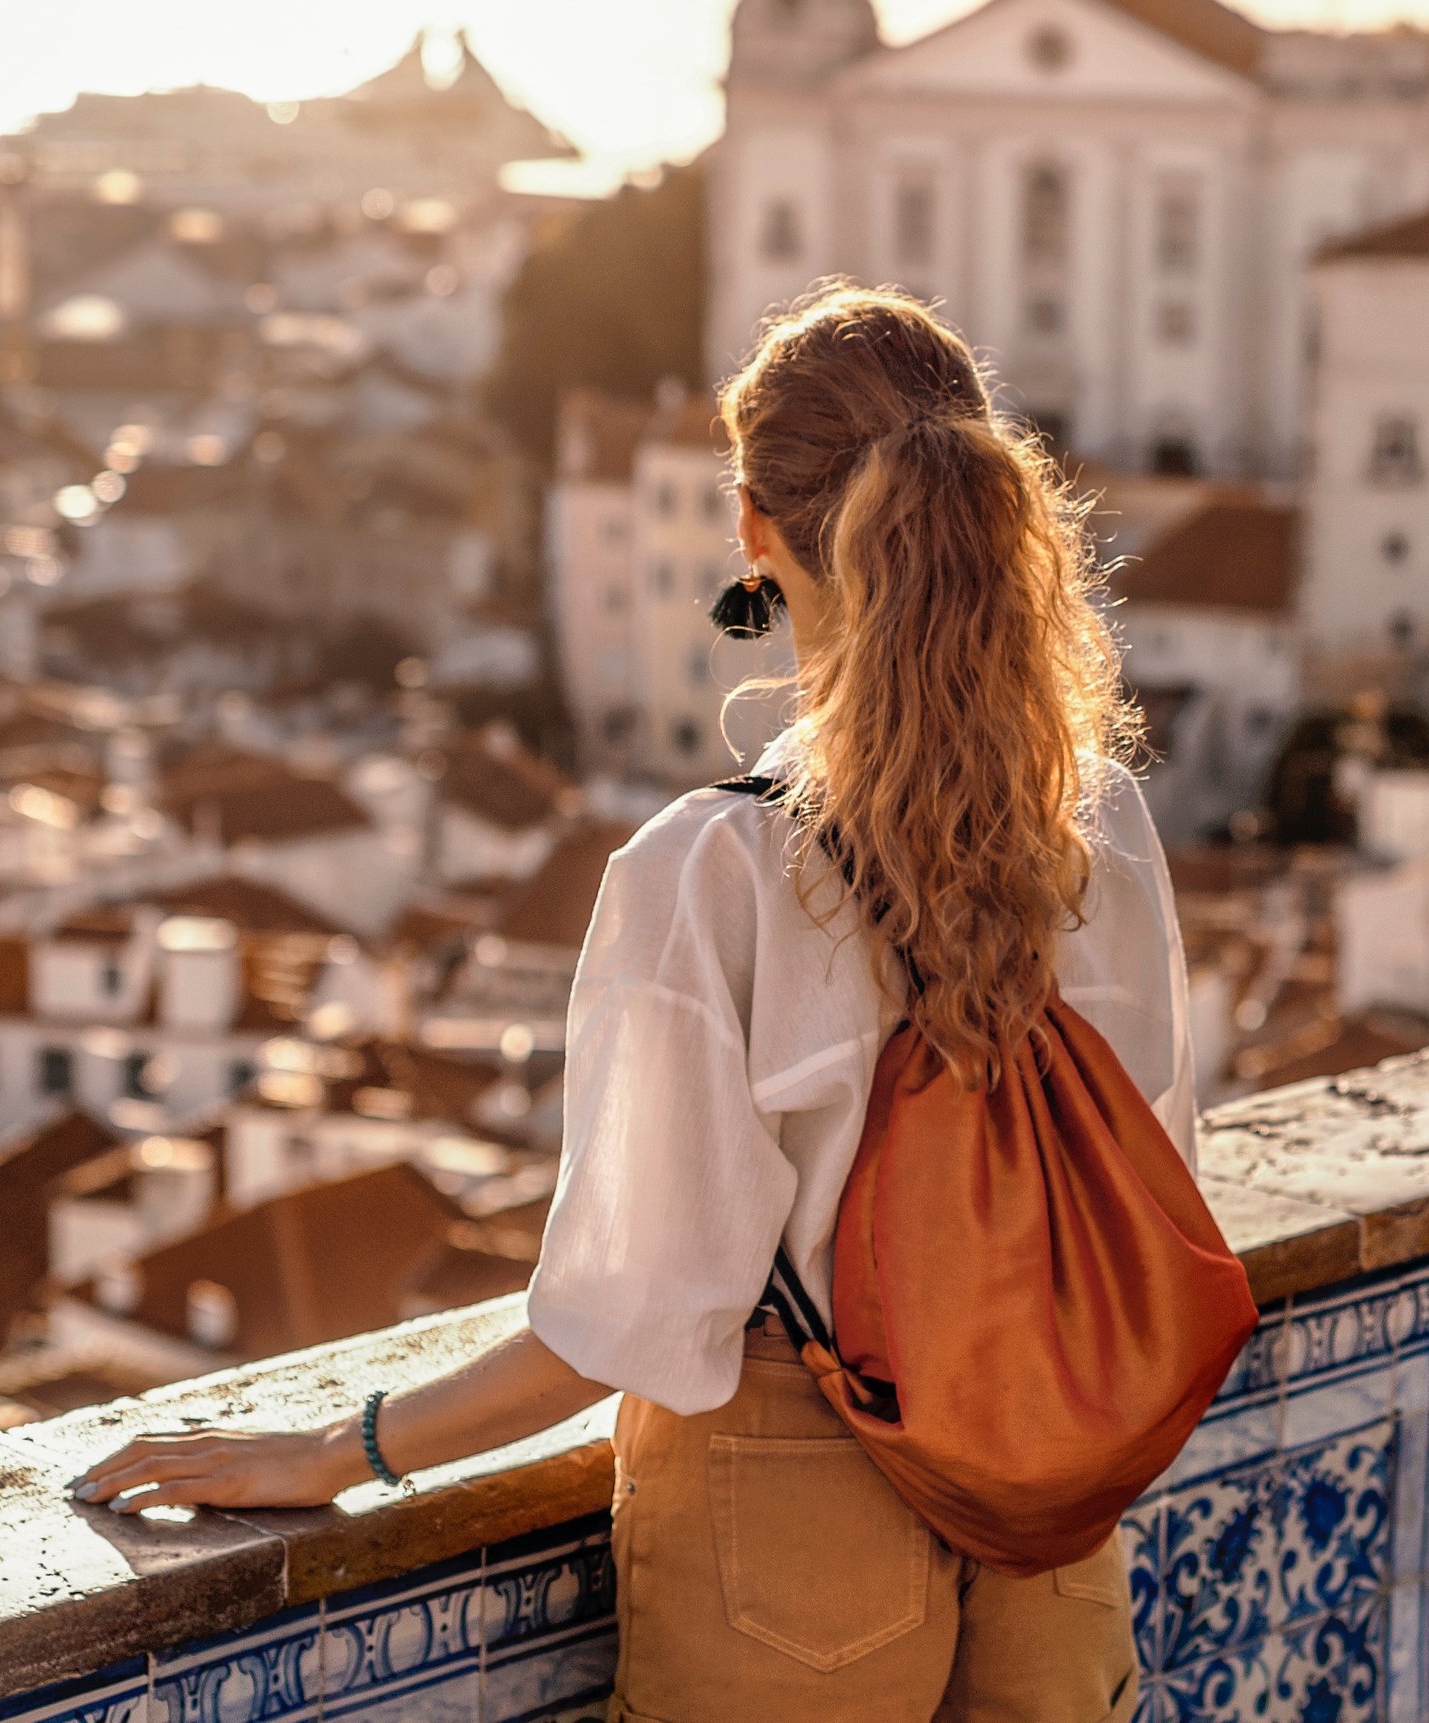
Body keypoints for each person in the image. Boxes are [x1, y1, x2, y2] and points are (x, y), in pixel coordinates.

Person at [67, 284, 1193, 1722]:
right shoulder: (1101, 823)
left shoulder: (709, 870)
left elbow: (641, 1314)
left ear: (753, 530)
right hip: (1054, 1503)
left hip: (797, 1522)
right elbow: (1157, 1169)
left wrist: (340, 1451)